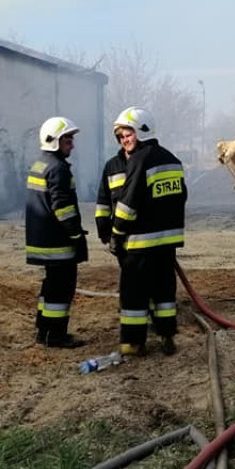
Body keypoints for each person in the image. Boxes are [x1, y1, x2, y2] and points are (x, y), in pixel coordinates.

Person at [107, 107, 187, 357]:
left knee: (133, 295)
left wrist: (116, 236)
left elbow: (127, 205)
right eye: (120, 136)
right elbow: (181, 197)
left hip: (139, 245)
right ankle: (166, 336)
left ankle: (133, 343)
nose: (124, 140)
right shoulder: (172, 159)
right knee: (164, 291)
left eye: (127, 133)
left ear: (141, 130)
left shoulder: (139, 161)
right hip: (167, 243)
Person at [25, 116, 88, 348]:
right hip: (57, 243)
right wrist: (76, 235)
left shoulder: (41, 164)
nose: (72, 145)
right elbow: (63, 208)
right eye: (67, 140)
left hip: (42, 241)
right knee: (62, 290)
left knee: (50, 287)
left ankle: (43, 331)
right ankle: (56, 336)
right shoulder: (58, 169)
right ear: (53, 141)